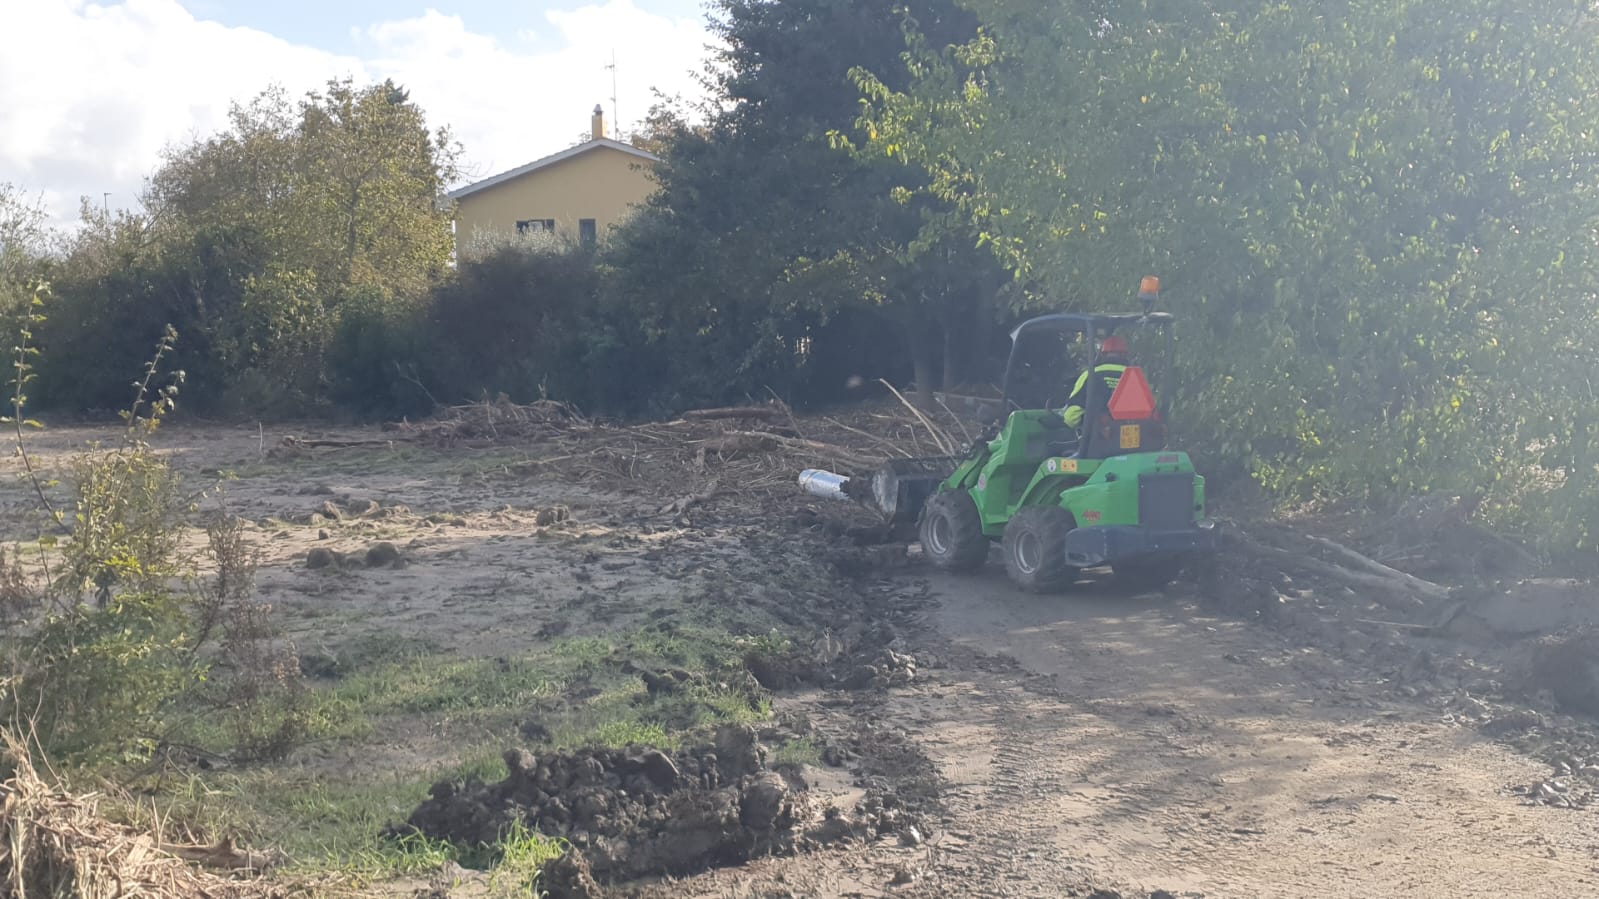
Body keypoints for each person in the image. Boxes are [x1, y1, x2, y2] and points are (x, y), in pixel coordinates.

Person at [1063, 335, 1129, 427]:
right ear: (1125, 354)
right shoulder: (1137, 377)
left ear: (1102, 354)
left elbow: (1071, 417)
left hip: (1096, 439)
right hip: (1136, 437)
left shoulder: (1090, 374)